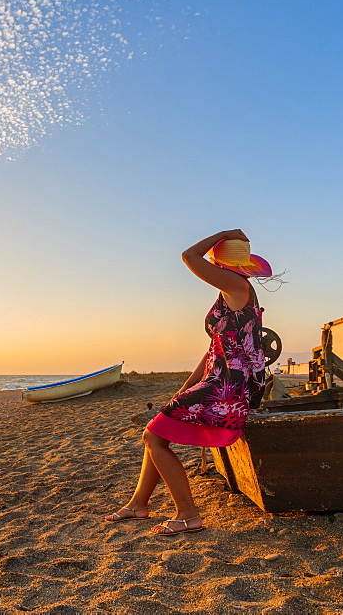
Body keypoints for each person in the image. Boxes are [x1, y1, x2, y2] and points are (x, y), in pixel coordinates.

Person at [104, 229, 272, 535]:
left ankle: (187, 515)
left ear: (220, 263)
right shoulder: (230, 290)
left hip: (228, 387)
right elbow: (217, 348)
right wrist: (187, 385)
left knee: (153, 435)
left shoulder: (236, 285)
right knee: (156, 434)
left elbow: (188, 256)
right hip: (221, 380)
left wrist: (225, 233)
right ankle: (138, 504)